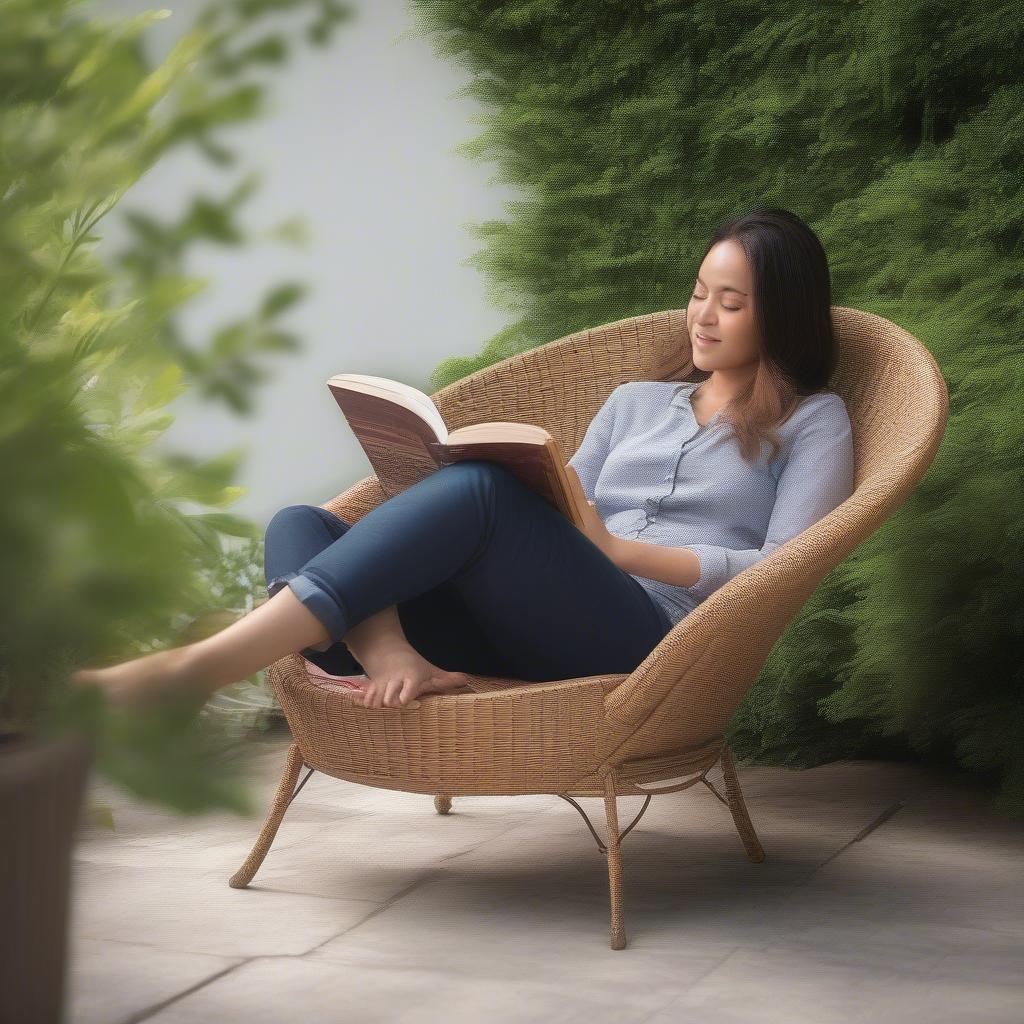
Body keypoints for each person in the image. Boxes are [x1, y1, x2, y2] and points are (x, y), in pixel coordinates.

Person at [70, 206, 854, 711]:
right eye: (698, 292)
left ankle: (197, 671)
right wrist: (537, 498)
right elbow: (564, 497)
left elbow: (785, 565)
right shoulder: (635, 402)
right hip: (520, 621)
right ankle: (391, 655)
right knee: (302, 522)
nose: (702, 317)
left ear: (778, 313)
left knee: (478, 494)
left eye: (731, 302)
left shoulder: (816, 422)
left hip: (648, 641)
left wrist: (622, 550)